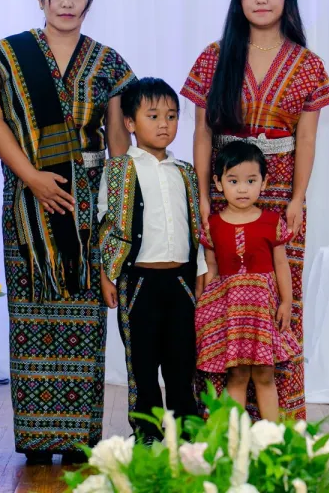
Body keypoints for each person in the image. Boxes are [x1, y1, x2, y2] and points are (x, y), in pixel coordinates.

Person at [0, 0, 136, 464]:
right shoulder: (6, 56)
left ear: (90, 0)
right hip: (27, 204)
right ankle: (38, 440)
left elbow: (117, 143)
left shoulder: (107, 64)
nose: (66, 2)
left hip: (86, 207)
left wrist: (118, 212)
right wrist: (33, 178)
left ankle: (80, 435)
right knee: (32, 314)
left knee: (85, 316)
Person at [181, 0, 329, 420]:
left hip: (280, 195)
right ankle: (220, 428)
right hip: (223, 194)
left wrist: (298, 199)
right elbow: (202, 132)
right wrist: (204, 196)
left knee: (278, 303)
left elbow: (306, 138)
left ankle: (277, 427)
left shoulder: (307, 64)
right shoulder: (215, 57)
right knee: (222, 297)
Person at [98, 78, 206, 442]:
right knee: (142, 362)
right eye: (154, 115)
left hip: (181, 282)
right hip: (138, 281)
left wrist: (201, 271)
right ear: (130, 122)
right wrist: (108, 275)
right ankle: (146, 431)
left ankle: (186, 430)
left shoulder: (185, 172)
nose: (164, 124)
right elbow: (107, 224)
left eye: (171, 116)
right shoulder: (118, 170)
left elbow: (196, 224)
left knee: (182, 359)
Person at [196, 141, 301, 421]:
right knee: (238, 374)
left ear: (264, 183)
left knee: (265, 375)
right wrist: (206, 311)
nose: (242, 189)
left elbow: (281, 264)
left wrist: (287, 302)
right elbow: (211, 268)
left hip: (262, 313)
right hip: (231, 314)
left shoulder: (271, 221)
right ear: (218, 183)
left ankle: (272, 439)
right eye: (233, 181)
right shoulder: (213, 225)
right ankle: (235, 439)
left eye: (251, 181)